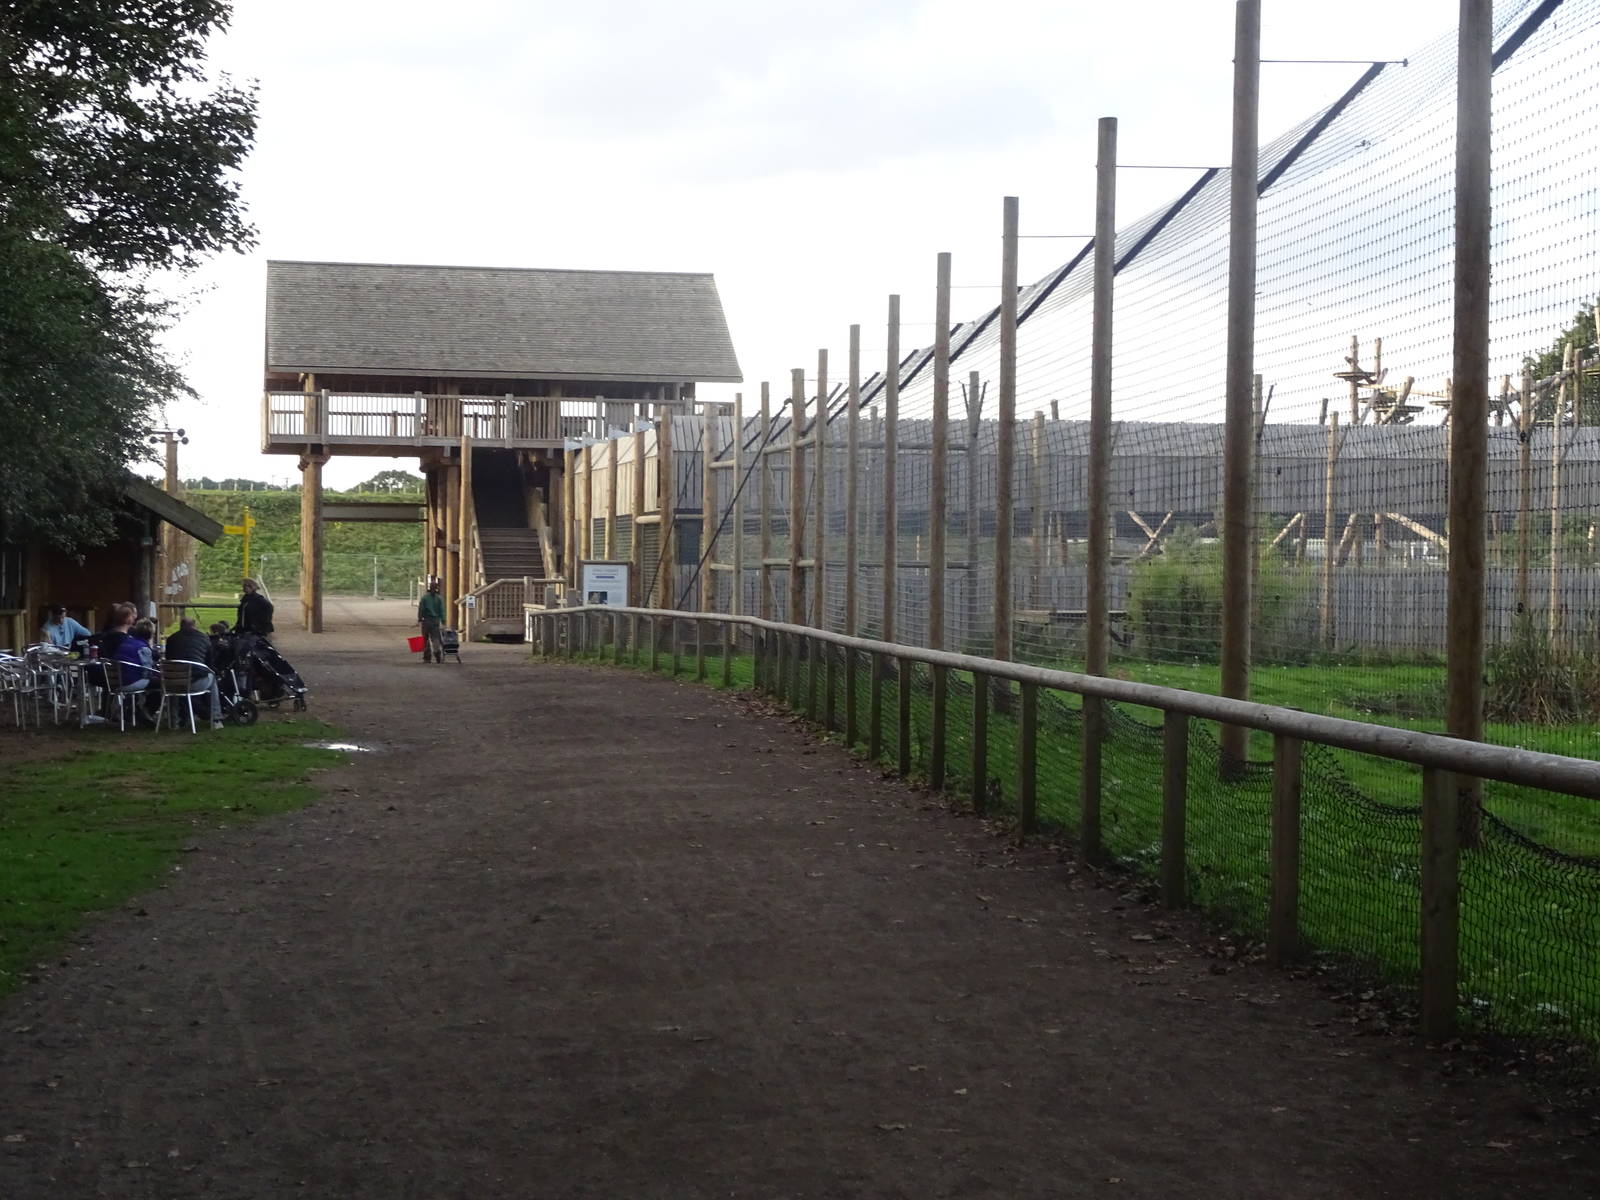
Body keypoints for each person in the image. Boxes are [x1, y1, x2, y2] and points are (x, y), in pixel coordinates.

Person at [165, 617, 224, 730]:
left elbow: (169, 658)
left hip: (175, 683)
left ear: (180, 626)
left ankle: (174, 721)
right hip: (195, 682)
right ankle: (216, 718)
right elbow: (209, 664)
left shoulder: (172, 639)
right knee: (212, 677)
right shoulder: (204, 638)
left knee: (173, 680)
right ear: (194, 626)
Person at [416, 579, 445, 663]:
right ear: (436, 588)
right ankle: (437, 654)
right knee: (435, 638)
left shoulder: (425, 598)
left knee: (425, 639)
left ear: (429, 588)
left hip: (426, 620)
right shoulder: (439, 598)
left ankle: (427, 657)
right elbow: (441, 610)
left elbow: (421, 609)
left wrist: (419, 618)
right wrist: (443, 620)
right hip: (435, 620)